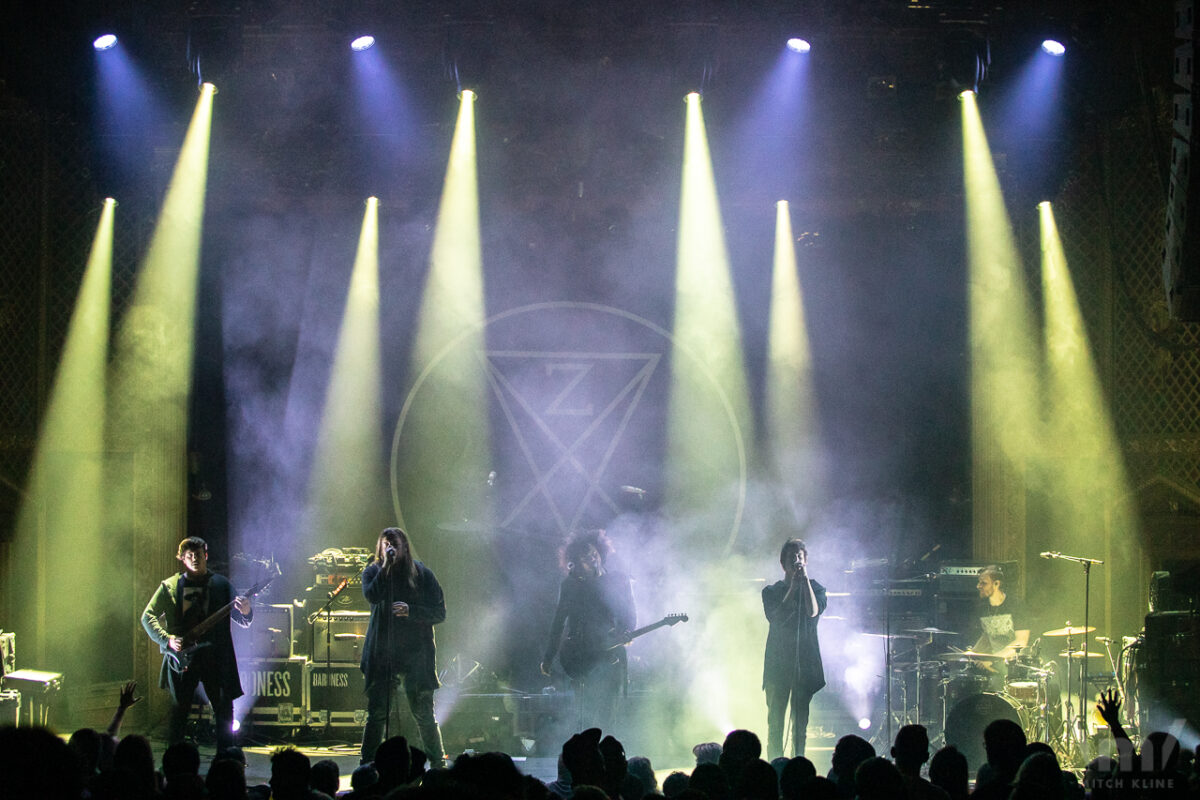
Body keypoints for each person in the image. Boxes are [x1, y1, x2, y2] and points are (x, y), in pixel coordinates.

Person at [141, 537, 252, 753]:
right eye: (190, 556)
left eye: (198, 555)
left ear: (206, 556)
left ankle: (226, 758)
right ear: (182, 558)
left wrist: (246, 610)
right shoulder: (170, 586)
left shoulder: (221, 584)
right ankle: (173, 761)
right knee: (179, 712)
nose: (195, 559)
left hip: (216, 659)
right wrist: (167, 639)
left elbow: (243, 619)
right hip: (182, 659)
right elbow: (148, 617)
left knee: (223, 710)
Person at [359, 527, 446, 765]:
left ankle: (438, 766)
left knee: (424, 715)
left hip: (416, 655)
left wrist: (412, 612)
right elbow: (372, 596)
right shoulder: (373, 571)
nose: (390, 549)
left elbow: (440, 612)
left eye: (394, 544)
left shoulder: (422, 574)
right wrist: (386, 567)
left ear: (404, 547)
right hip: (382, 654)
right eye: (386, 544)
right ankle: (366, 766)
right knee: (377, 715)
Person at [540, 529, 636, 732]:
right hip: (579, 655)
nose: (592, 558)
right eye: (585, 556)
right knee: (586, 709)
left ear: (600, 551)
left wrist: (627, 631)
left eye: (593, 553)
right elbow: (559, 621)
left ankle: (607, 748)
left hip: (610, 651)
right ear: (576, 561)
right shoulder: (571, 585)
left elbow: (629, 612)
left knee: (609, 707)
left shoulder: (618, 579)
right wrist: (548, 657)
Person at [762, 538, 827, 759]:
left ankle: (798, 768)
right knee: (776, 724)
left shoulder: (816, 589)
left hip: (805, 665)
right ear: (783, 564)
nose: (796, 561)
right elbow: (777, 616)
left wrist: (804, 581)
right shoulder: (771, 591)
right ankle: (775, 769)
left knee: (800, 726)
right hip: (778, 665)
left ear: (805, 560)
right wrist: (792, 587)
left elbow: (812, 612)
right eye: (791, 557)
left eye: (799, 556)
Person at [971, 565, 1029, 657]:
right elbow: (988, 635)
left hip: (1015, 662)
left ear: (996, 584)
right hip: (994, 661)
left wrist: (994, 659)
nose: (978, 586)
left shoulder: (1016, 605)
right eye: (979, 582)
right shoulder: (983, 606)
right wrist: (973, 653)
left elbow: (1021, 641)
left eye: (984, 583)